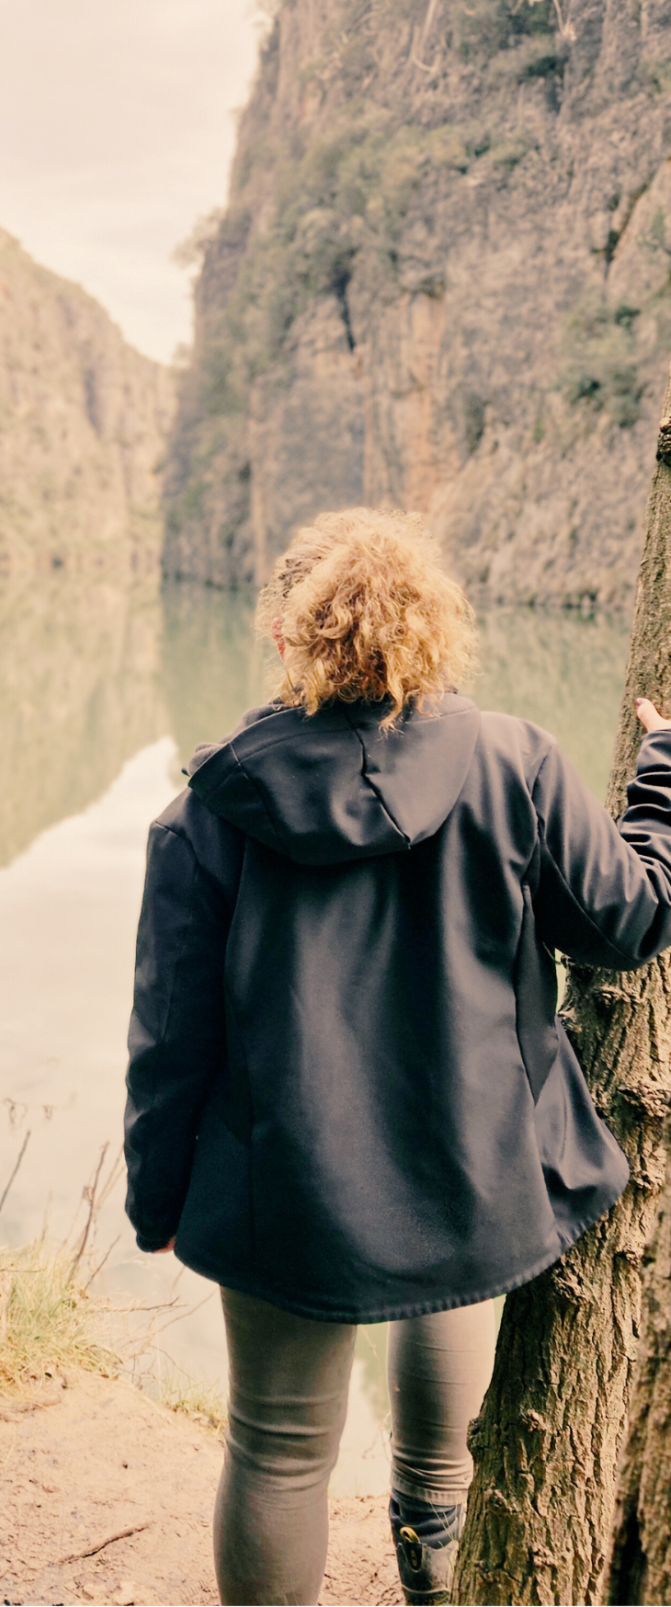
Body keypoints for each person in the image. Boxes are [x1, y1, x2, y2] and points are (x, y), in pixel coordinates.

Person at [123, 507, 671, 1607]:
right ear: (432, 628)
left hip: (288, 1188)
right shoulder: (516, 761)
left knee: (278, 1451)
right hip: (472, 1169)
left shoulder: (205, 813)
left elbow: (169, 1044)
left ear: (286, 634)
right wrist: (663, 774)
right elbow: (634, 920)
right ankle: (435, 1578)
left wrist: (159, 1200)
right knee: (443, 1452)